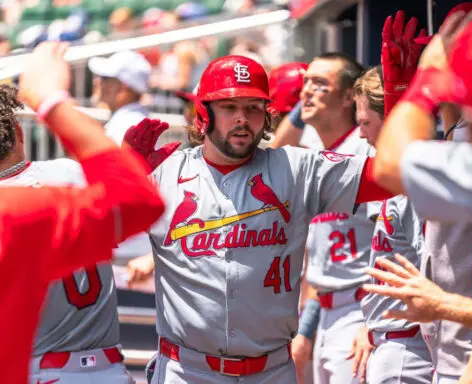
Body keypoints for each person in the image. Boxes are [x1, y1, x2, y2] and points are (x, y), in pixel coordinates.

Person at [124, 54, 392, 383]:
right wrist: (120, 177)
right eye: (229, 107)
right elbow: (96, 232)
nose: (242, 119)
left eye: (253, 107)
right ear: (204, 113)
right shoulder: (165, 175)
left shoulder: (296, 168)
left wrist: (401, 98)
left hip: (272, 370)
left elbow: (392, 175)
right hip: (187, 370)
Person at [0, 42, 165, 384]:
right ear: (18, 134)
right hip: (108, 370)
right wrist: (123, 163)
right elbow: (136, 204)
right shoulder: (68, 175)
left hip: (35, 371)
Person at [365, 8, 472, 384]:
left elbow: (393, 166)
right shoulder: (459, 135)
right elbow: (416, 162)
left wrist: (426, 85)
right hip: (448, 353)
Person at [289, 53, 381, 384]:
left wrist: (373, 324)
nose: (307, 92)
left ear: (347, 98)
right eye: (305, 82)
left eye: (320, 84)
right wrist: (307, 328)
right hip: (324, 313)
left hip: (362, 309)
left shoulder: (367, 154)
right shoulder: (313, 155)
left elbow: (395, 246)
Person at [352, 66, 433, 384]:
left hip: (409, 347)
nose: (361, 134)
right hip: (390, 340)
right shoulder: (398, 178)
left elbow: (430, 274)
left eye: (365, 123)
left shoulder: (414, 183)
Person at [89, 50, 154, 261]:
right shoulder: (130, 122)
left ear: (123, 88)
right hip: (129, 244)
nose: (99, 83)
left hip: (127, 249)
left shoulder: (128, 126)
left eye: (107, 79)